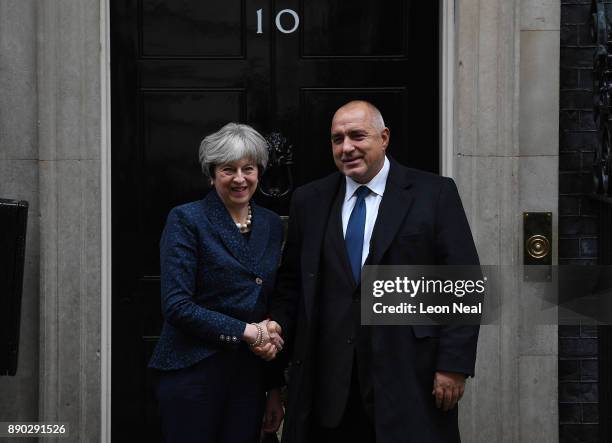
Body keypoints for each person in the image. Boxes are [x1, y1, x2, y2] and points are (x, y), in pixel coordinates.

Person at [263, 101, 480, 443]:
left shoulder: (433, 193)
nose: (346, 147)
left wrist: (453, 365)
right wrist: (276, 340)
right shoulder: (310, 200)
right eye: (337, 139)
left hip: (409, 376)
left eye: (357, 136)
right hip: (326, 384)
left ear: (384, 137)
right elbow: (291, 285)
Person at [148, 123, 285, 443]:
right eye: (228, 169)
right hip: (193, 372)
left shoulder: (270, 223)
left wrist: (274, 386)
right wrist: (249, 332)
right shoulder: (187, 219)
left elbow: (268, 300)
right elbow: (177, 306)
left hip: (248, 377)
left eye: (248, 168)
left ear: (259, 173)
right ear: (212, 175)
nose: (240, 178)